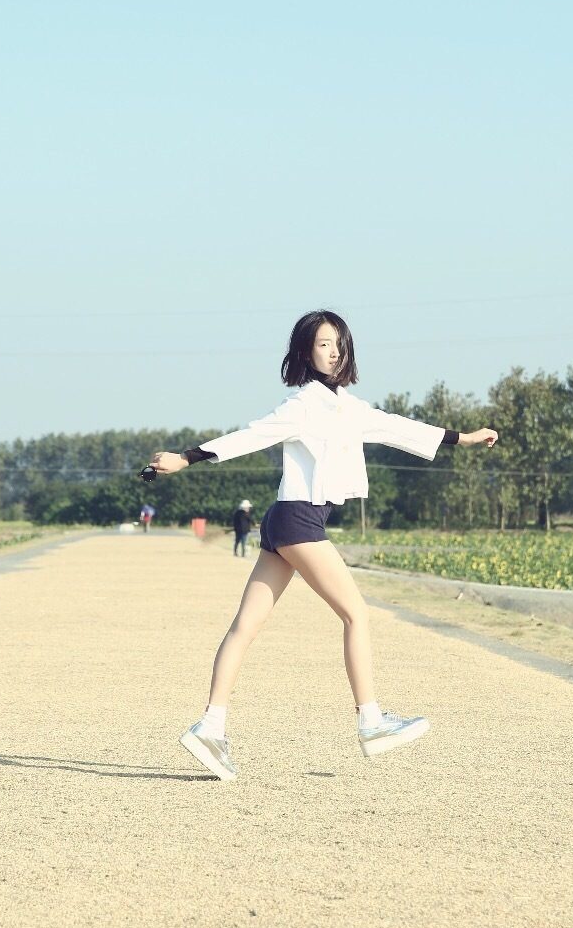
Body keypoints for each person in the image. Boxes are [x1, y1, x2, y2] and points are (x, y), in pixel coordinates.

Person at [147, 309, 498, 781]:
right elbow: (249, 436)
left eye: (338, 344)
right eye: (323, 345)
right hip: (299, 520)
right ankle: (371, 721)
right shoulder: (304, 405)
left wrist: (465, 438)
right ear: (305, 353)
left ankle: (211, 726)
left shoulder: (350, 407)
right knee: (356, 613)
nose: (333, 352)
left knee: (244, 627)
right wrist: (185, 458)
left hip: (283, 520)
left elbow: (399, 428)